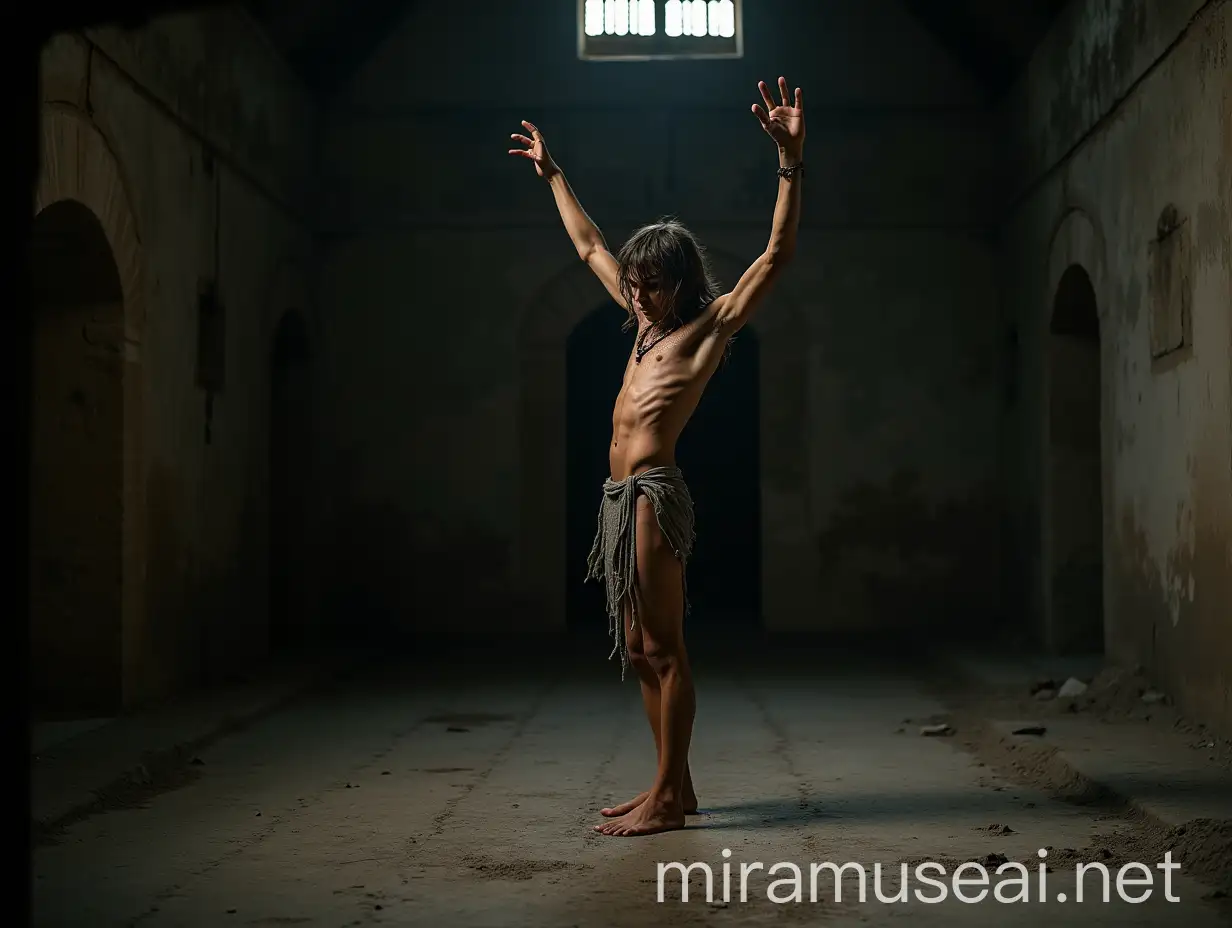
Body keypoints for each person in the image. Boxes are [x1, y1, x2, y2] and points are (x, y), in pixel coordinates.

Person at [508, 77, 804, 837]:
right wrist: (555, 175)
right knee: (639, 650)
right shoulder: (638, 320)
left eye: (651, 286)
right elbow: (588, 246)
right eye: (634, 286)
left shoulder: (705, 331)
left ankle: (670, 799)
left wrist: (790, 163)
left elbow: (774, 257)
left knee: (665, 649)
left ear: (681, 284)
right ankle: (677, 785)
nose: (637, 295)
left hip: (652, 493)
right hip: (617, 499)